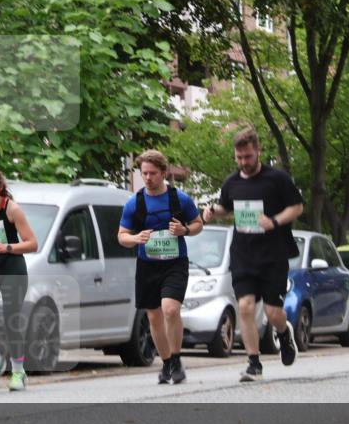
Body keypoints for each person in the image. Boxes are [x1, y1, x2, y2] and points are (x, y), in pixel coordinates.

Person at [202, 128, 304, 382]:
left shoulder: (277, 179)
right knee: (245, 307)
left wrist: (274, 221)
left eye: (248, 156)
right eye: (239, 157)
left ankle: (284, 333)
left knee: (272, 312)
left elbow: (297, 207)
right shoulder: (231, 183)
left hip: (273, 255)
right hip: (243, 254)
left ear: (258, 151)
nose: (243, 162)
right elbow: (226, 207)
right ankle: (254, 364)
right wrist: (212, 211)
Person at [118, 150, 203, 384]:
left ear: (163, 173)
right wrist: (136, 238)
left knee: (170, 309)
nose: (147, 178)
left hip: (175, 263)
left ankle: (176, 359)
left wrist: (185, 230)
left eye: (153, 173)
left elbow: (198, 224)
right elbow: (122, 236)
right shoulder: (135, 203)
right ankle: (166, 363)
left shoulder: (179, 199)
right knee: (154, 316)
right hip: (147, 265)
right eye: (144, 173)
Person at [0, 169, 39, 391]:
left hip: (12, 268)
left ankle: (18, 372)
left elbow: (33, 243)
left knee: (11, 319)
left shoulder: (11, 209)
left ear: (1, 188)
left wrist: (7, 247)